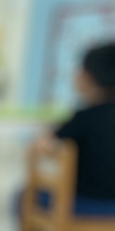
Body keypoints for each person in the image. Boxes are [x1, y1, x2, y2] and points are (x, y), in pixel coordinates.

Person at [33, 41, 115, 211]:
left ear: (85, 77)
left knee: (24, 197)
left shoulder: (83, 118)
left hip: (83, 204)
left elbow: (45, 146)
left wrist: (46, 134)